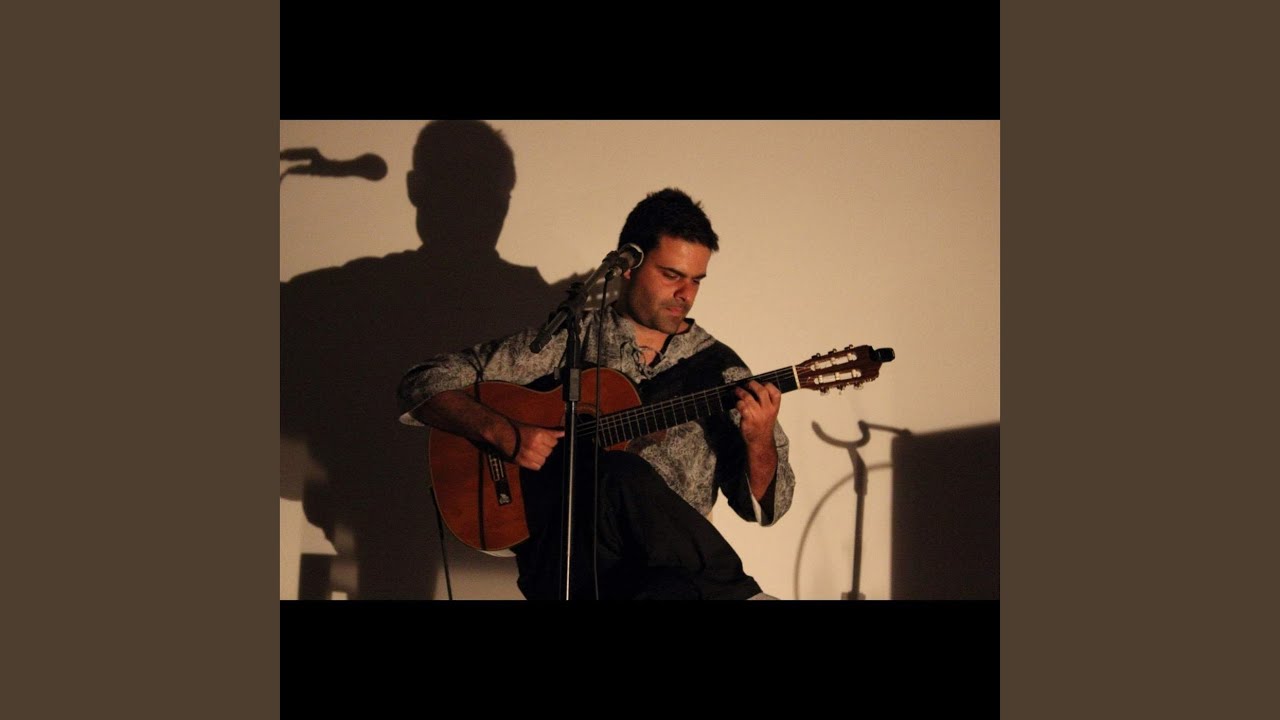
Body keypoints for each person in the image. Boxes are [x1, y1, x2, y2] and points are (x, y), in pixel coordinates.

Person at [397, 188, 795, 600]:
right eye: (671, 275)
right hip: (568, 557)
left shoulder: (719, 369)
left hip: (667, 578)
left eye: (696, 280)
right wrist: (503, 432)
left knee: (647, 534)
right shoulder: (571, 339)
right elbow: (423, 382)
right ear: (628, 265)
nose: (686, 294)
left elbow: (768, 508)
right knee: (617, 472)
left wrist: (759, 442)